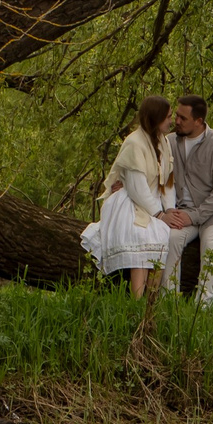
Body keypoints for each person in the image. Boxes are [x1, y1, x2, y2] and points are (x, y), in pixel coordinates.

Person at [80, 96, 176, 296]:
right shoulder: (134, 143)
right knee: (140, 236)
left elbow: (166, 182)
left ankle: (152, 300)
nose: (171, 121)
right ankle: (137, 300)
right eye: (167, 117)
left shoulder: (164, 141)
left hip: (152, 201)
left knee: (162, 235)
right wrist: (159, 214)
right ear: (155, 118)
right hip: (130, 201)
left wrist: (170, 210)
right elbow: (136, 187)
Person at [158, 93, 213, 304]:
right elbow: (157, 176)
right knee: (171, 239)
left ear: (199, 121)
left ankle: (202, 308)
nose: (176, 121)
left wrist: (194, 216)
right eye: (176, 116)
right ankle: (169, 302)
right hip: (182, 212)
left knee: (210, 247)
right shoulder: (170, 142)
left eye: (183, 118)